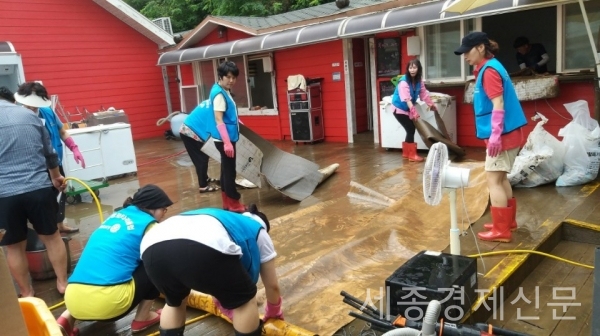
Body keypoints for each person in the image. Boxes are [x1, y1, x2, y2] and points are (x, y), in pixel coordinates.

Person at [140, 205, 284, 336]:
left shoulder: (222, 217)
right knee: (245, 300)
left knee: (174, 302)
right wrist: (274, 311)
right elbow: (271, 286)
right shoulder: (258, 229)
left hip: (151, 246)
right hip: (202, 245)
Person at [56, 184, 173, 336]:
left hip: (72, 299)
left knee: (101, 264)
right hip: (110, 303)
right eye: (164, 210)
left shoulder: (114, 217)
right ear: (153, 207)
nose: (164, 215)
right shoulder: (149, 226)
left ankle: (66, 319)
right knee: (157, 260)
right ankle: (142, 318)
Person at [454, 32, 527, 243]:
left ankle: (500, 230)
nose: (465, 56)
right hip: (508, 134)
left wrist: (495, 136)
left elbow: (498, 104)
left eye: (467, 51)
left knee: (493, 180)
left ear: (480, 48)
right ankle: (507, 223)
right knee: (501, 178)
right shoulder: (492, 66)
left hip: (503, 136)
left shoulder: (489, 72)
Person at [0, 89, 68, 297]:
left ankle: (27, 293)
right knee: (52, 238)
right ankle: (63, 284)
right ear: (13, 99)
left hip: (5, 194)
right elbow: (50, 154)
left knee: (13, 247)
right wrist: (56, 177)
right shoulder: (30, 116)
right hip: (39, 188)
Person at [14, 82, 86, 234]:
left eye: (35, 105)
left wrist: (74, 148)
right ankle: (46, 232)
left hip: (55, 163)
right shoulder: (17, 117)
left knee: (60, 193)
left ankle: (60, 225)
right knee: (42, 200)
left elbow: (62, 132)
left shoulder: (48, 112)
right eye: (30, 106)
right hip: (35, 168)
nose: (33, 108)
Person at [183, 61, 245, 212]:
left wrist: (236, 121)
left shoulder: (221, 89)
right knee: (230, 171)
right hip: (225, 138)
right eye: (228, 77)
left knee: (226, 169)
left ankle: (227, 203)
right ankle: (234, 204)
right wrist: (227, 143)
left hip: (225, 136)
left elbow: (226, 114)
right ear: (221, 76)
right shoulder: (219, 94)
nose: (231, 81)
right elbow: (218, 119)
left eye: (234, 78)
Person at [390, 59, 438, 162]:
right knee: (411, 129)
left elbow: (424, 94)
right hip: (399, 108)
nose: (412, 70)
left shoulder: (418, 81)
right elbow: (407, 99)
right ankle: (411, 155)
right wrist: (414, 112)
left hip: (407, 108)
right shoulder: (403, 82)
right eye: (410, 67)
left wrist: (431, 104)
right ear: (408, 69)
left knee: (410, 129)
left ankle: (407, 153)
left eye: (414, 67)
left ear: (418, 68)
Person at [179, 111, 221, 194]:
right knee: (201, 159)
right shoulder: (216, 109)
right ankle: (203, 186)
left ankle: (205, 178)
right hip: (190, 132)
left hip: (189, 129)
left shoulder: (211, 103)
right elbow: (215, 128)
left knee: (204, 155)